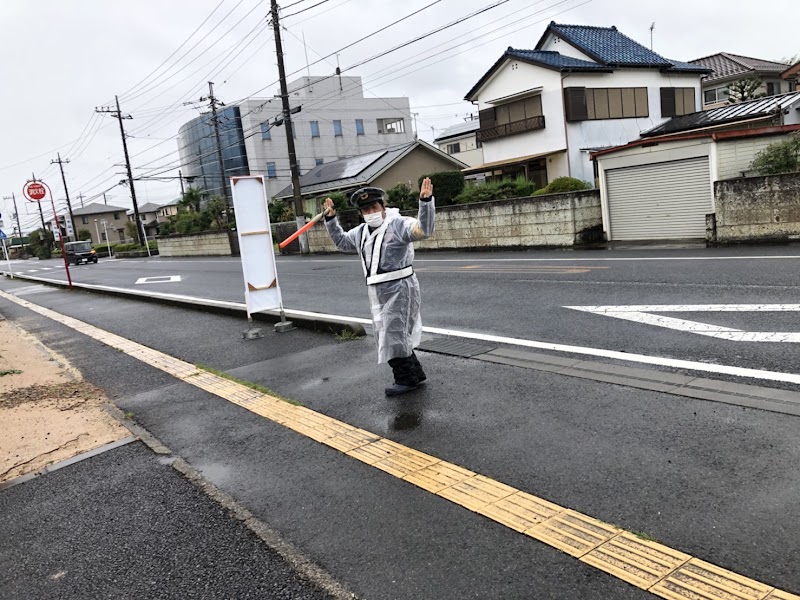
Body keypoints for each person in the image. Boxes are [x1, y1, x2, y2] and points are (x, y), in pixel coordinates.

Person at [323, 178, 435, 396]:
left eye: (374, 207)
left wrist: (426, 203)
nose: (370, 211)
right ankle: (415, 374)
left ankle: (405, 380)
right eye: (365, 209)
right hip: (378, 291)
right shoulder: (361, 232)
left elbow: (423, 230)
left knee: (394, 333)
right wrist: (331, 221)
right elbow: (342, 243)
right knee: (394, 333)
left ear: (383, 207)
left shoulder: (398, 224)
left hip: (400, 288)